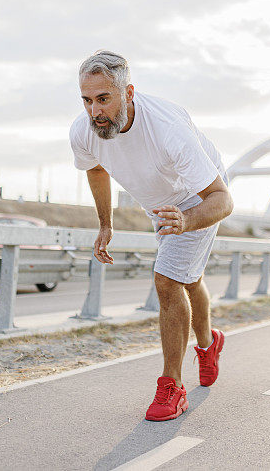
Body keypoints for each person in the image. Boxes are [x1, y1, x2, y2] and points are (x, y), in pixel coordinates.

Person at [69, 50, 233, 421]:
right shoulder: (84, 130)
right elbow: (96, 170)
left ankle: (172, 388)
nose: (95, 111)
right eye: (87, 100)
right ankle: (209, 345)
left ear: (128, 92)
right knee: (187, 280)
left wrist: (187, 220)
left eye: (103, 99)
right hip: (159, 204)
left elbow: (223, 199)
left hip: (197, 196)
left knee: (167, 278)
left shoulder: (168, 129)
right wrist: (105, 224)